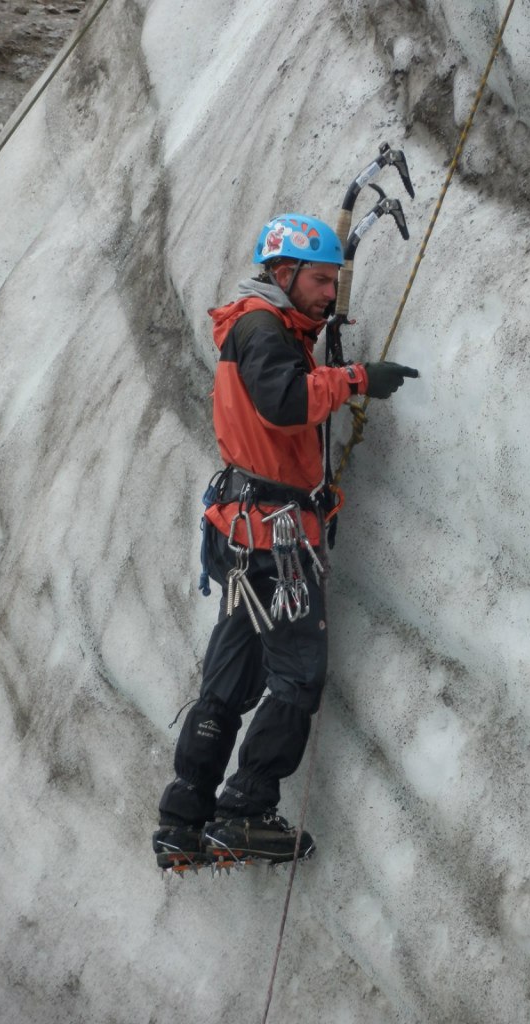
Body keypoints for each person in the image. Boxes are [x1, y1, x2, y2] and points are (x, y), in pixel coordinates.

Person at [153, 213, 418, 870]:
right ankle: (246, 810)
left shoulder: (258, 326)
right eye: (321, 281)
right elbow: (284, 402)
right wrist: (356, 379)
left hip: (245, 531)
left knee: (231, 679)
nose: (330, 295)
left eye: (334, 282)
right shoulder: (264, 330)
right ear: (283, 274)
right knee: (298, 675)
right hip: (277, 542)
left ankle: (185, 815)